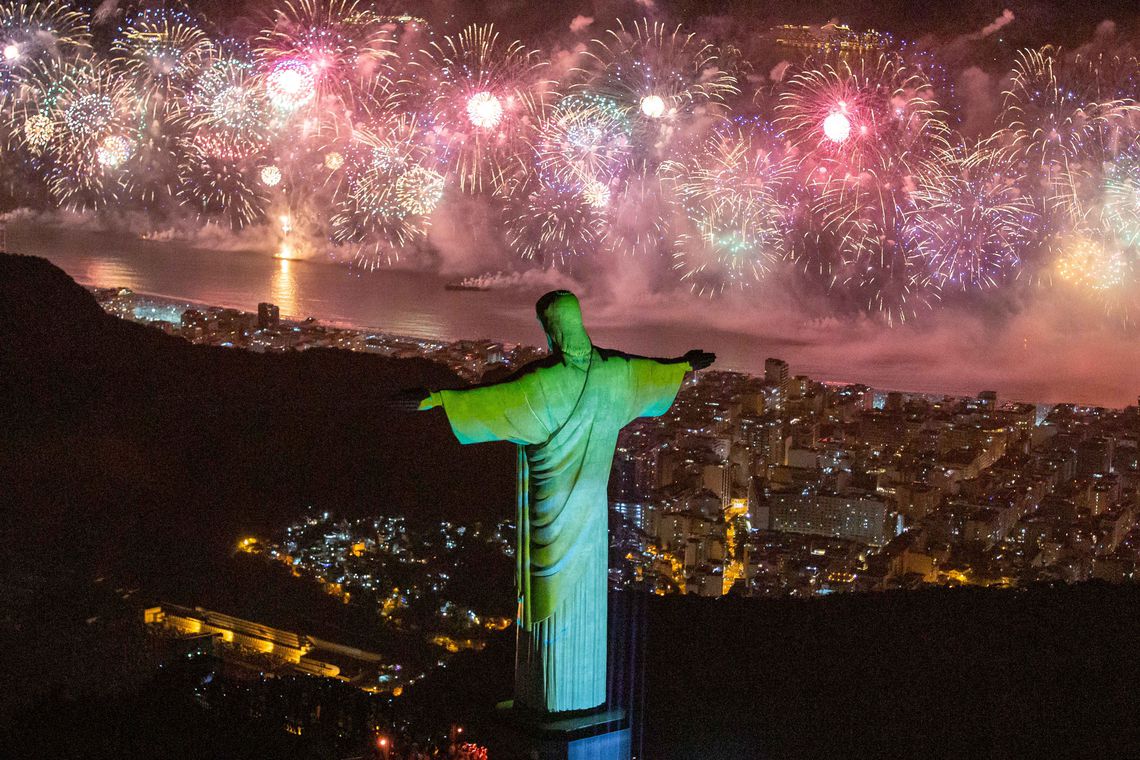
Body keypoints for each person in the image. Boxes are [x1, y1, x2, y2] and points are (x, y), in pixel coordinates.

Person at [411, 290, 714, 714]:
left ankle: (549, 698)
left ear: (551, 329)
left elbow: (493, 401)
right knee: (586, 600)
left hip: (550, 514)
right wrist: (684, 365)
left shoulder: (544, 382)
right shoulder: (616, 373)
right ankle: (582, 697)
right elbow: (650, 373)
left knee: (547, 600)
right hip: (592, 518)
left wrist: (437, 398)